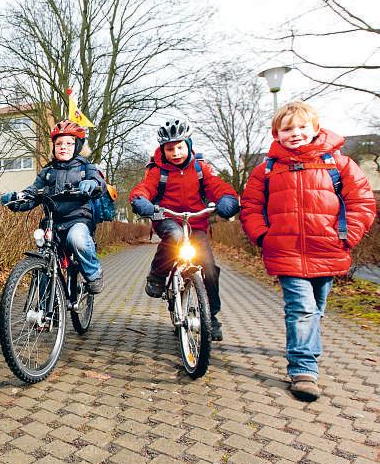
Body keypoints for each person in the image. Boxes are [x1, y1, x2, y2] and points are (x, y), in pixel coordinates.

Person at [240, 101, 376, 402]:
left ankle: (305, 348)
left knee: (316, 309)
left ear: (315, 129)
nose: (295, 133)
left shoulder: (339, 164)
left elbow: (362, 202)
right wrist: (263, 236)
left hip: (327, 249)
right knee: (301, 309)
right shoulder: (265, 170)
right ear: (277, 134)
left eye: (302, 127)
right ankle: (303, 370)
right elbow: (250, 207)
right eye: (288, 128)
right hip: (286, 251)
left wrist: (348, 235)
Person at [129, 120, 240, 341]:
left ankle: (211, 317)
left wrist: (227, 198)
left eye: (180, 147)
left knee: (209, 268)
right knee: (175, 236)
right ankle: (157, 275)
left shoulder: (200, 169)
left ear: (188, 145)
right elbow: (145, 188)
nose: (176, 153)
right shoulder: (158, 171)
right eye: (170, 149)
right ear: (163, 150)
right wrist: (141, 200)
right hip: (168, 219)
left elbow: (216, 185)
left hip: (196, 223)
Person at [0, 120, 106, 293]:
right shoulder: (47, 172)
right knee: (44, 260)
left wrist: (92, 184)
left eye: (69, 143)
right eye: (59, 144)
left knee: (77, 239)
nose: (63, 147)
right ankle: (46, 305)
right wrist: (16, 199)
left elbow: (99, 182)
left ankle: (94, 274)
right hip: (52, 223)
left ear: (78, 146)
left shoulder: (87, 168)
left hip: (78, 219)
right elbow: (32, 192)